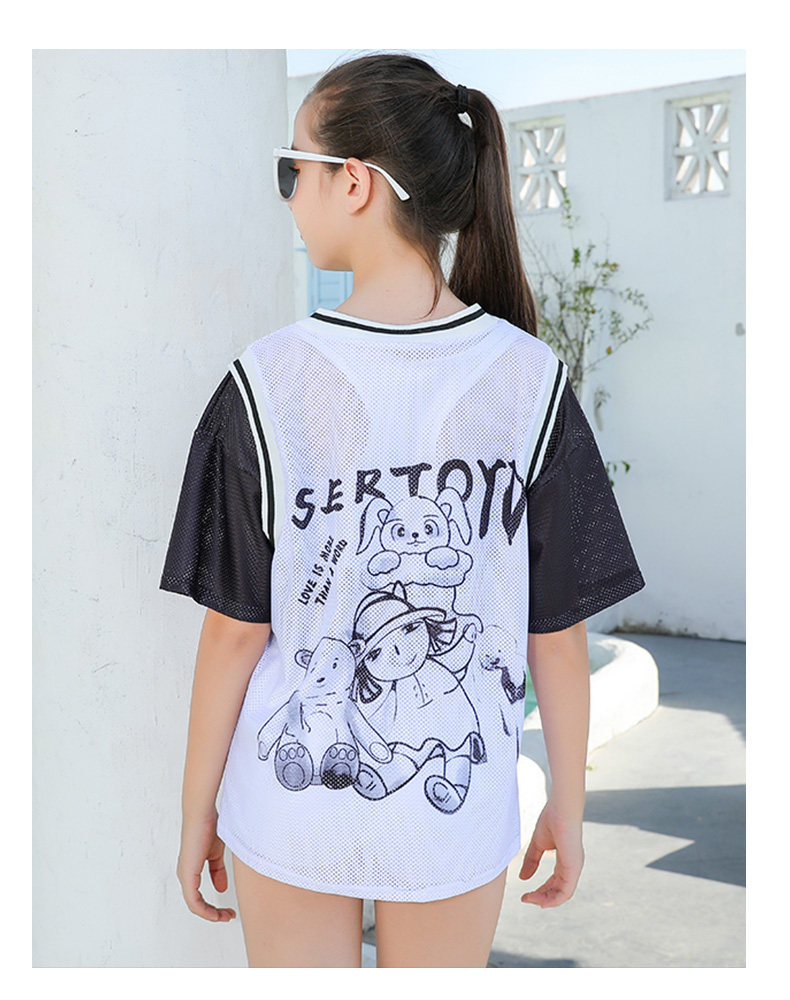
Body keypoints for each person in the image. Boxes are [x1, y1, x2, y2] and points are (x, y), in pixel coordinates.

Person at [160, 52, 646, 968]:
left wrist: (197, 813)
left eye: (292, 169)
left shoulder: (267, 383)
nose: (289, 195)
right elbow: (557, 633)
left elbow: (234, 633)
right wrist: (567, 805)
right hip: (452, 822)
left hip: (289, 814)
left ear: (353, 182)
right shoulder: (530, 381)